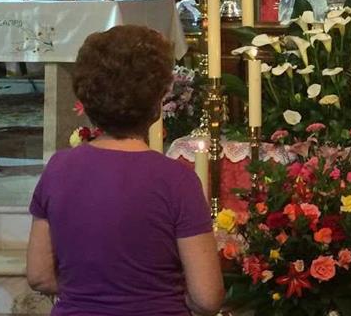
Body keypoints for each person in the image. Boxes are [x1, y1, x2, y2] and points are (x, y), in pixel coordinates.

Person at [26, 25, 224, 315]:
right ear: (156, 101)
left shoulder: (59, 168)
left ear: (88, 96)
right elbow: (206, 298)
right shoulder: (176, 180)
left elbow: (39, 275)